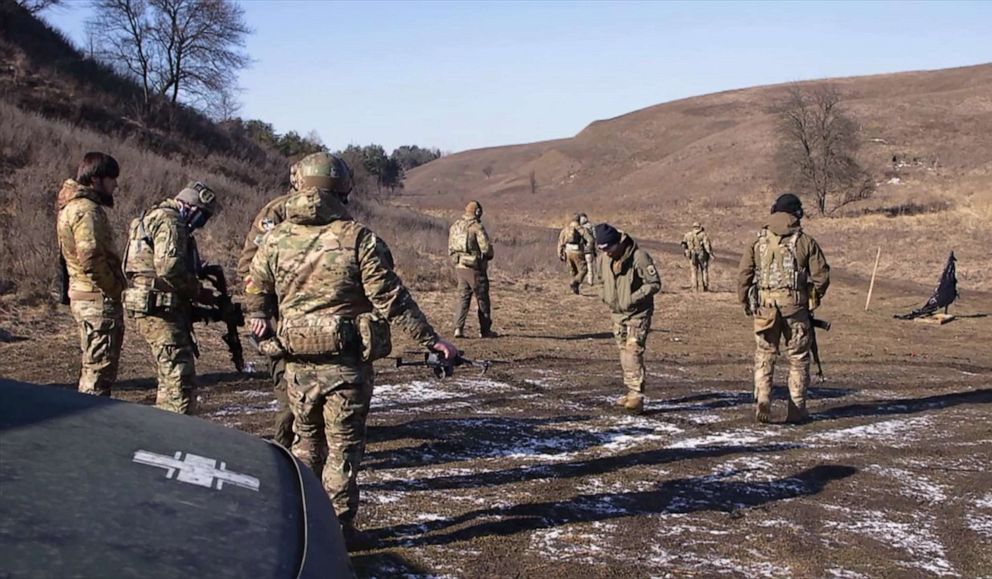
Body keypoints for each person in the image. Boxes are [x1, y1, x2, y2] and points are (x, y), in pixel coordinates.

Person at [245, 152, 457, 546]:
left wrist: (259, 320)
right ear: (343, 189)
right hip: (344, 367)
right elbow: (392, 299)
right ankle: (335, 536)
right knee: (341, 452)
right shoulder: (357, 238)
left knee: (305, 444)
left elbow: (254, 288)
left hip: (295, 361)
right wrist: (433, 341)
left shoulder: (274, 236)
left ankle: (299, 527)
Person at [122, 181, 219, 414]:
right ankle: (177, 435)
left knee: (168, 377)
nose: (201, 224)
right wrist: (196, 290)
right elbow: (169, 269)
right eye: (202, 216)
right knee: (179, 380)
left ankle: (165, 425)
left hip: (149, 303)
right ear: (191, 206)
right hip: (159, 307)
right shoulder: (171, 220)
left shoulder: (151, 216)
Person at [738, 193, 830, 424]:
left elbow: (744, 276)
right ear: (795, 213)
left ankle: (764, 397)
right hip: (795, 308)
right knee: (798, 358)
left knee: (765, 354)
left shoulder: (757, 241)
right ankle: (797, 409)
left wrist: (745, 302)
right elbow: (822, 276)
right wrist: (813, 296)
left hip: (765, 307)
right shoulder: (805, 241)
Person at [237, 162, 299, 448]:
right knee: (287, 382)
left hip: (314, 313)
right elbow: (250, 267)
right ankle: (285, 447)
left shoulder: (333, 214)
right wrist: (258, 310)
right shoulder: (277, 212)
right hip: (279, 312)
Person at [56, 152, 127, 396]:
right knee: (98, 376)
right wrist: (117, 290)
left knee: (94, 369)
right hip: (96, 301)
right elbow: (91, 259)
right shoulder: (87, 210)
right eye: (111, 179)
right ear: (96, 179)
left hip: (85, 296)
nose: (115, 185)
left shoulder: (72, 207)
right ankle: (89, 429)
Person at [595, 223, 661, 414]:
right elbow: (600, 280)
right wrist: (605, 295)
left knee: (633, 351)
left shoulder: (639, 257)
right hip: (617, 314)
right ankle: (630, 390)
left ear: (618, 243)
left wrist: (633, 298)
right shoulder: (603, 260)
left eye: (608, 248)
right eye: (602, 249)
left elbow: (654, 284)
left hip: (637, 313)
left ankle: (636, 395)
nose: (606, 252)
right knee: (624, 352)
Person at [448, 200, 495, 338]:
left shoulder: (455, 226)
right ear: (477, 212)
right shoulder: (476, 227)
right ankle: (485, 330)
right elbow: (486, 249)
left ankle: (458, 328)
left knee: (463, 298)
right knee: (482, 299)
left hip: (459, 266)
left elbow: (450, 247)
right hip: (475, 268)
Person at [557, 214, 594, 294]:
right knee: (584, 269)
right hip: (578, 251)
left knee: (573, 271)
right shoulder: (581, 229)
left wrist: (560, 253)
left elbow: (560, 242)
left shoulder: (565, 230)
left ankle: (575, 289)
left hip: (567, 252)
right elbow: (590, 240)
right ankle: (575, 283)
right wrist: (588, 248)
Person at [681, 222, 714, 292]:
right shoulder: (703, 235)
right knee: (704, 270)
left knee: (693, 271)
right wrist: (710, 254)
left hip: (692, 254)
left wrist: (687, 251)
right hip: (702, 255)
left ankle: (694, 288)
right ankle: (705, 287)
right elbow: (706, 245)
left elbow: (683, 244)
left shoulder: (688, 235)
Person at [578, 213, 597, 285]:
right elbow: (595, 237)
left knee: (581, 267)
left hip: (579, 249)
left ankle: (580, 281)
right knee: (590, 265)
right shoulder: (591, 226)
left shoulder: (579, 227)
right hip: (589, 249)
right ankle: (590, 281)